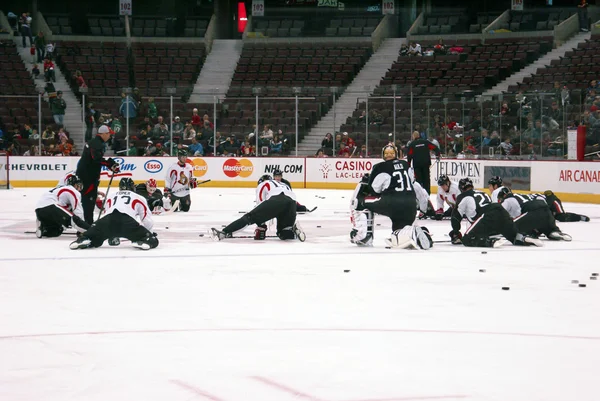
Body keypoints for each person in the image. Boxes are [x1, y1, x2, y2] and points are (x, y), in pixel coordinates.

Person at [350, 144, 432, 249]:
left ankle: (363, 235)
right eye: (387, 153)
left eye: (390, 154)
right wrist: (424, 208)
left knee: (359, 202)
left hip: (392, 203)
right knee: (398, 234)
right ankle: (415, 233)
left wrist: (367, 181)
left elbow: (374, 189)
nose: (388, 155)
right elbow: (416, 186)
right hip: (410, 206)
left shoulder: (380, 167)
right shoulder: (406, 164)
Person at [449, 178, 542, 248]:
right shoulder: (483, 193)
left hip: (487, 215)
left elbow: (456, 216)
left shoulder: (462, 196)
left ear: (461, 188)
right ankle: (524, 238)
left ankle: (490, 242)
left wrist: (456, 232)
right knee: (514, 236)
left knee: (467, 239)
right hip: (500, 211)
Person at [70, 178, 159, 251]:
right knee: (153, 240)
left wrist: (111, 235)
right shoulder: (139, 197)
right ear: (133, 187)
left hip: (108, 220)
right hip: (127, 222)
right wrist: (148, 233)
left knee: (94, 236)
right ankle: (143, 241)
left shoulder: (112, 195)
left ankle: (85, 239)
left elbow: (106, 213)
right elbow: (146, 220)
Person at [210, 174, 306, 241]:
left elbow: (260, 205)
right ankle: (292, 230)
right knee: (284, 233)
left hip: (276, 199)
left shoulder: (263, 184)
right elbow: (288, 200)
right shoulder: (283, 184)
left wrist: (261, 226)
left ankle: (224, 233)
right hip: (291, 202)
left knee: (249, 217)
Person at [76, 125, 120, 225]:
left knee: (87, 200)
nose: (110, 136)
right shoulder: (96, 144)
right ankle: (87, 224)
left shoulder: (95, 142)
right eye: (109, 134)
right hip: (88, 178)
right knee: (88, 201)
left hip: (86, 176)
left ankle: (86, 223)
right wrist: (110, 164)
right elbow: (96, 159)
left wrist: (109, 164)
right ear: (103, 134)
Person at [497, 187, 571, 241]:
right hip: (547, 212)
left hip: (533, 212)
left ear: (504, 196)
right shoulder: (523, 195)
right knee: (541, 225)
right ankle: (553, 231)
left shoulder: (507, 200)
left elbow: (499, 214)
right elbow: (543, 199)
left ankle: (527, 236)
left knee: (510, 226)